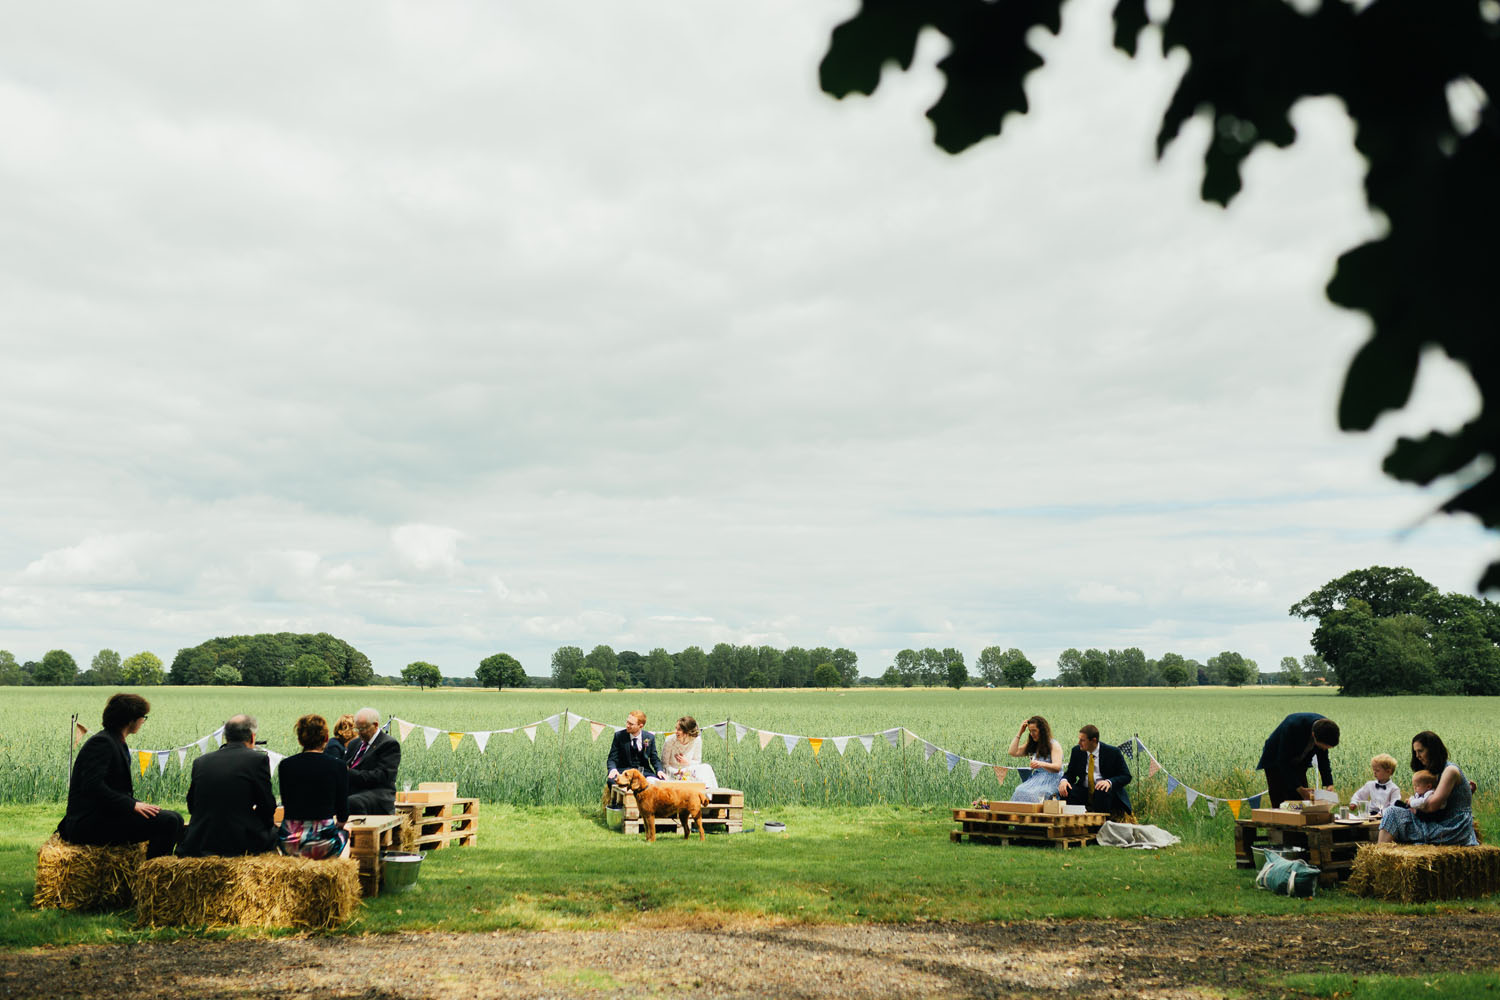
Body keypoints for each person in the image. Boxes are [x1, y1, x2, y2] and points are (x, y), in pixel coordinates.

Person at [56, 693, 184, 858]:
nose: (143, 721)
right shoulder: (102, 743)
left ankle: (156, 868)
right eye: (143, 717)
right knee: (169, 821)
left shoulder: (115, 741)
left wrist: (135, 803)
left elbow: (112, 788)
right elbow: (92, 786)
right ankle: (152, 875)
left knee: (175, 818)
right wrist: (132, 805)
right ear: (131, 720)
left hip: (105, 815)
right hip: (88, 823)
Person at [179, 714, 277, 858]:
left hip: (201, 841)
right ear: (252, 737)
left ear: (226, 737)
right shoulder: (257, 759)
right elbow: (267, 806)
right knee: (275, 834)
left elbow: (191, 805)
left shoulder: (201, 761)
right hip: (238, 842)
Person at [1378, 731, 1478, 846]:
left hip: (1452, 827)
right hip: (1439, 820)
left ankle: (1379, 854)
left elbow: (1431, 806)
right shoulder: (1434, 771)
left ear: (1433, 750)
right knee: (1395, 811)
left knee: (1392, 813)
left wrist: (1413, 805)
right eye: (1415, 752)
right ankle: (1382, 855)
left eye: (1420, 751)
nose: (1417, 756)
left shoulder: (1450, 770)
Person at [277, 714, 350, 859]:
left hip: (290, 843)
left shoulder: (286, 766)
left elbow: (286, 801)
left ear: (300, 739)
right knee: (347, 833)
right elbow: (343, 815)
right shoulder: (338, 766)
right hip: (324, 843)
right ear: (326, 738)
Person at [1257, 712, 1339, 807]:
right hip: (1275, 760)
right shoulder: (1293, 727)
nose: (1324, 749)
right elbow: (1283, 761)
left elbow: (1323, 760)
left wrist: (1329, 784)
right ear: (1313, 735)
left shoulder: (1327, 729)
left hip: (1299, 761)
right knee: (1281, 799)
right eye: (1324, 747)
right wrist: (1299, 788)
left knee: (1302, 799)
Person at [1057, 725, 1133, 821]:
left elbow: (1126, 776)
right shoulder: (1076, 751)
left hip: (1105, 793)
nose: (1079, 743)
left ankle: (1100, 825)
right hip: (1084, 791)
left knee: (1101, 789)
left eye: (1082, 740)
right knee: (1068, 789)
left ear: (1093, 740)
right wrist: (1064, 781)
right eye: (1079, 739)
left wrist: (1109, 782)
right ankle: (1073, 823)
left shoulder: (1113, 752)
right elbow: (1070, 774)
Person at [345, 707, 401, 815]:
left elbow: (381, 776)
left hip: (377, 793)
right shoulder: (354, 744)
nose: (359, 733)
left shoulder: (388, 744)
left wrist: (348, 773)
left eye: (362, 729)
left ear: (375, 725)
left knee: (352, 802)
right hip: (352, 791)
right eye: (357, 729)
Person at [1005, 715, 1064, 803]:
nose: (1032, 734)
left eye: (1034, 731)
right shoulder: (1033, 745)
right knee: (1019, 790)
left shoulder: (1053, 744)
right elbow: (1012, 752)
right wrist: (1020, 732)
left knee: (1034, 794)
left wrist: (1041, 764)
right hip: (1037, 778)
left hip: (1052, 779)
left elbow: (1057, 767)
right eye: (1030, 731)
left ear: (1042, 731)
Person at [606, 710, 665, 785]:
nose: (627, 725)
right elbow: (612, 759)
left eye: (631, 724)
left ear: (640, 726)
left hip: (644, 772)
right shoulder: (619, 736)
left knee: (660, 782)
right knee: (612, 781)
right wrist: (613, 769)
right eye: (627, 722)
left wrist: (659, 770)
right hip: (624, 772)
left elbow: (654, 758)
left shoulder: (649, 738)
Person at [661, 716, 718, 788]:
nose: (676, 732)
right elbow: (664, 764)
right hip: (673, 773)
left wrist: (687, 762)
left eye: (679, 730)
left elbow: (697, 761)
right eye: (676, 728)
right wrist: (677, 772)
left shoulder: (697, 740)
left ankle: (710, 793)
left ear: (687, 732)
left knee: (706, 767)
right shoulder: (670, 740)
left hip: (689, 771)